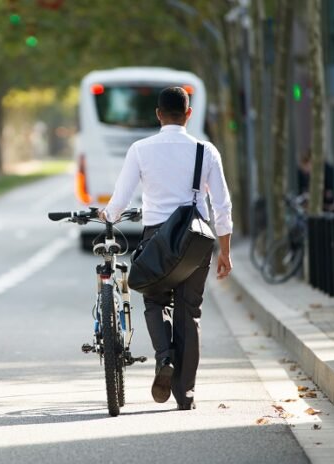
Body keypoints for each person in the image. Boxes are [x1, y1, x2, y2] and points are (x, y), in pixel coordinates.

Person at [100, 86, 233, 411]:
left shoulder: (141, 149)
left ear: (158, 114)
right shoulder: (206, 150)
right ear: (188, 113)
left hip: (157, 239)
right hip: (196, 242)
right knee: (190, 312)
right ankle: (185, 395)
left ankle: (165, 358)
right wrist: (225, 252)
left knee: (154, 300)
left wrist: (108, 215)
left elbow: (119, 201)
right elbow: (222, 205)